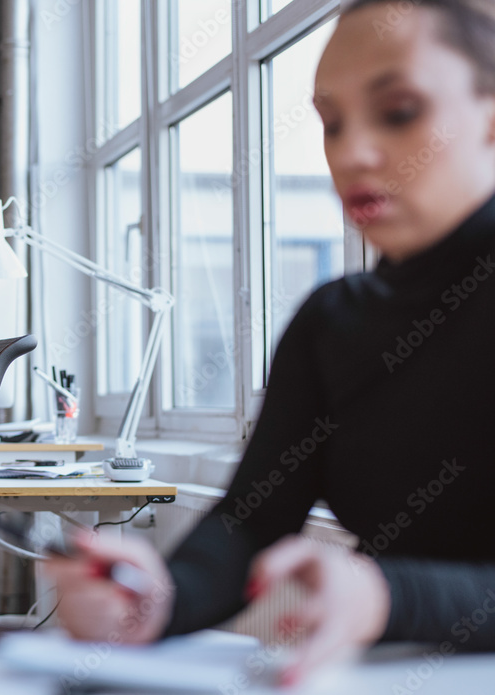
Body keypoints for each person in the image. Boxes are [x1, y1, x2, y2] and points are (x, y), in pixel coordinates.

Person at [47, 0, 495, 685]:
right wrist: (159, 599)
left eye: (399, 110)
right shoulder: (332, 320)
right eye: (331, 123)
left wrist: (388, 594)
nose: (352, 152)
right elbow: (251, 522)